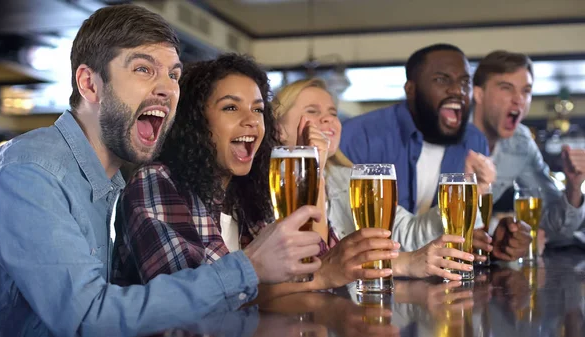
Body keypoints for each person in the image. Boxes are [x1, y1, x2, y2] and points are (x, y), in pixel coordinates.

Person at [0, 6, 324, 336]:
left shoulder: (108, 182)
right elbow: (88, 318)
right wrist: (248, 267)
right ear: (89, 84)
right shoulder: (31, 170)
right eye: (144, 69)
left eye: (173, 74)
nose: (167, 89)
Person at [113, 54, 401, 301]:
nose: (251, 120)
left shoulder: (249, 192)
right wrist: (324, 276)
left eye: (258, 109)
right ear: (195, 121)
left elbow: (311, 264)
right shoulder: (156, 182)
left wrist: (311, 173)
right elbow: (196, 297)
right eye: (230, 107)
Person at [339, 43, 530, 261]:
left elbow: (470, 231)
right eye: (442, 80)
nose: (457, 90)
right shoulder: (358, 136)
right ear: (410, 89)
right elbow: (341, 229)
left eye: (464, 82)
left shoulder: (474, 141)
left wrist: (493, 240)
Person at [274, 78, 476, 281]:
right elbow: (303, 271)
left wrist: (466, 200)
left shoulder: (349, 179)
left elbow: (408, 236)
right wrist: (402, 263)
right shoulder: (268, 187)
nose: (328, 119)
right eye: (312, 111)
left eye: (333, 113)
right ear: (278, 129)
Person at [472, 50, 585, 247]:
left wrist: (574, 186)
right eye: (506, 88)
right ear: (479, 94)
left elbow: (555, 227)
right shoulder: (449, 132)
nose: (519, 99)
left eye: (526, 90)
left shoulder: (521, 143)